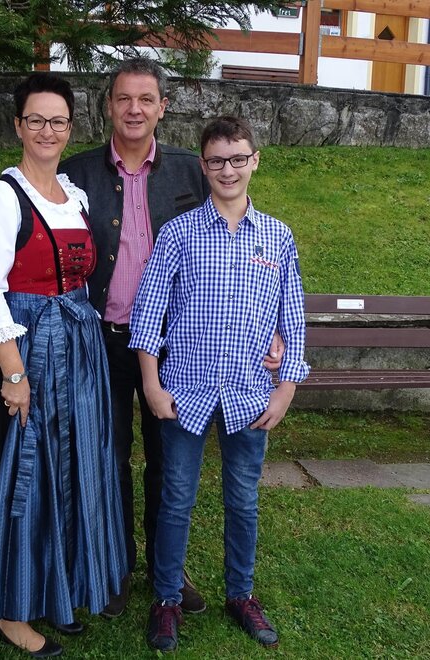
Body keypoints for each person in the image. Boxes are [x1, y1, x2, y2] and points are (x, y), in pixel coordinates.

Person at [59, 58, 284, 617]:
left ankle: (169, 572)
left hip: (176, 351)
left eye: (146, 99)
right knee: (108, 457)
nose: (134, 109)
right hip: (103, 341)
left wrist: (273, 330)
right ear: (109, 106)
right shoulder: (78, 174)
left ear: (162, 107)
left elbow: (240, 250)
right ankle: (115, 566)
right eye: (123, 98)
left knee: (169, 466)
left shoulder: (191, 169)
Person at [129, 116, 310, 652]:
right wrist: (151, 383)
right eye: (216, 161)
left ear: (254, 161)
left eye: (237, 159)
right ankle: (166, 599)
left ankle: (240, 594)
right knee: (176, 499)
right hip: (184, 392)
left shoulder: (277, 237)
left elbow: (293, 319)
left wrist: (285, 390)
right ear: (203, 166)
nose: (227, 170)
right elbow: (148, 312)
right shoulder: (179, 234)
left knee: (243, 500)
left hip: (250, 394)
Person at [0, 72, 127, 658]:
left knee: (74, 466)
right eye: (36, 120)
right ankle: (12, 609)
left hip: (79, 349)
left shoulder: (73, 195)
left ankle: (57, 591)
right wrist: (14, 374)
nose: (47, 131)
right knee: (27, 471)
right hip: (30, 347)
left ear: (70, 127)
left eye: (58, 121)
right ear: (18, 126)